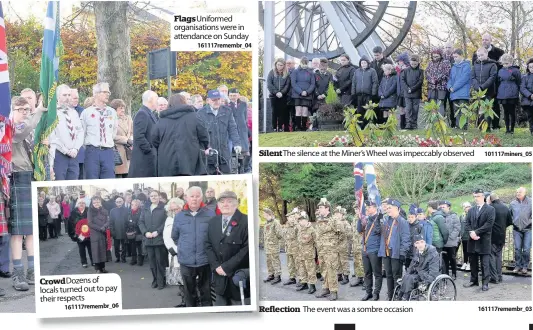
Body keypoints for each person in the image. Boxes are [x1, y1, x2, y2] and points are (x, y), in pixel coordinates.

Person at [9, 96, 46, 290]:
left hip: (30, 175)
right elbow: (20, 134)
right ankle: (18, 272)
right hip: (16, 176)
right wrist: (38, 111)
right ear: (12, 110)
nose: (24, 112)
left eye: (26, 109)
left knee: (30, 230)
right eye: (20, 109)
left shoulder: (25, 126)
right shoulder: (9, 128)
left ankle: (32, 270)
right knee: (17, 231)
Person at [171, 186, 215, 306]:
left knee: (206, 290)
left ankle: (208, 314)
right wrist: (184, 247)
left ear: (202, 197)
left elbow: (214, 236)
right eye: (192, 196)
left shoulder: (210, 215)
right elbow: (175, 236)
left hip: (205, 260)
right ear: (186, 198)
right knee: (189, 291)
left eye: (197, 196)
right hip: (186, 261)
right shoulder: (179, 216)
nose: (194, 199)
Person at [205, 191, 249, 306]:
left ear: (236, 204)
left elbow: (246, 249)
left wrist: (226, 267)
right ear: (218, 205)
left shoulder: (246, 222)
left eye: (230, 202)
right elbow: (208, 245)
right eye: (222, 202)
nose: (225, 204)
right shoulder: (212, 222)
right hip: (219, 278)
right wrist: (216, 267)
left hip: (237, 277)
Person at [152, 93, 209, 177]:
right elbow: (204, 135)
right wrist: (205, 146)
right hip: (190, 161)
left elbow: (154, 140)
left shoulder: (161, 121)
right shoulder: (194, 117)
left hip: (167, 163)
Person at [196, 90, 241, 175]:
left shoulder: (227, 111)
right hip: (209, 155)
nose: (217, 102)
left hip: (224, 154)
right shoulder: (200, 114)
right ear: (208, 100)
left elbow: (233, 129)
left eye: (218, 99)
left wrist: (237, 144)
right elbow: (199, 135)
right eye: (214, 100)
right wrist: (204, 149)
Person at [80, 83, 118, 179]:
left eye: (108, 92)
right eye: (105, 92)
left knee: (109, 179)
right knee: (91, 179)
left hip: (108, 151)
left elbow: (114, 132)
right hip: (92, 152)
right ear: (96, 94)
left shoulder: (112, 112)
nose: (108, 94)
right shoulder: (86, 113)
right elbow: (82, 133)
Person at [48, 84, 84, 180]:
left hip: (74, 156)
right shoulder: (52, 113)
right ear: (57, 96)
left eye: (69, 95)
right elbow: (52, 136)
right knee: (59, 183)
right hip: (59, 155)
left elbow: (80, 131)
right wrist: (65, 150)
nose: (67, 98)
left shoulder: (73, 112)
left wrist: (76, 149)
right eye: (64, 95)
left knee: (73, 183)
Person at [464, 189, 495, 291]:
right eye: (474, 196)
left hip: (483, 240)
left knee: (484, 263)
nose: (476, 198)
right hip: (472, 240)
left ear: (483, 197)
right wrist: (471, 233)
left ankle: (485, 283)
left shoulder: (490, 209)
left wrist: (476, 232)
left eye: (477, 196)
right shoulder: (471, 210)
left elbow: (489, 224)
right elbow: (467, 223)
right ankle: (474, 280)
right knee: (473, 261)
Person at [378, 199, 410, 301]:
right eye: (387, 208)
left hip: (396, 253)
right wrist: (377, 220)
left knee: (397, 275)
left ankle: (397, 295)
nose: (388, 210)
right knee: (388, 274)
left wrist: (402, 253)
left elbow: (406, 239)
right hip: (386, 252)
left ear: (398, 209)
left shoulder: (403, 222)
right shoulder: (386, 220)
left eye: (390, 208)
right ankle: (390, 294)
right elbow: (378, 232)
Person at [473, 34, 505, 130]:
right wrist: (477, 85)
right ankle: (481, 125)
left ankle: (495, 125)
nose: (484, 41)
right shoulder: (476, 53)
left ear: (490, 40)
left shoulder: (499, 52)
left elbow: (501, 67)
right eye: (482, 40)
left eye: (486, 40)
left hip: (494, 83)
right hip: (479, 85)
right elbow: (474, 70)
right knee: (480, 106)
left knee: (493, 105)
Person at [138, 190, 167, 289]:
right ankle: (155, 280)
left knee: (160, 262)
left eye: (155, 195)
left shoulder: (164, 208)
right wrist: (145, 232)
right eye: (151, 196)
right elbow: (140, 222)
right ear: (149, 198)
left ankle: (161, 281)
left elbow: (166, 222)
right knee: (152, 263)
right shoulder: (145, 208)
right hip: (148, 239)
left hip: (159, 239)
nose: (153, 197)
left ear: (159, 197)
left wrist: (158, 231)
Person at [399, 235, 440, 301]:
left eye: (422, 242)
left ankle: (406, 296)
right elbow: (411, 266)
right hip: (420, 273)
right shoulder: (418, 252)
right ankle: (401, 295)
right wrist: (406, 276)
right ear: (415, 245)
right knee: (406, 276)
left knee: (410, 278)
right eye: (417, 243)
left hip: (427, 275)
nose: (420, 245)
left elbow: (433, 272)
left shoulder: (432, 253)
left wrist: (426, 283)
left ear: (425, 242)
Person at [314, 198, 341, 301]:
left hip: (330, 250)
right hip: (321, 250)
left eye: (321, 207)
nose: (319, 209)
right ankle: (326, 288)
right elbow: (318, 234)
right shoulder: (319, 220)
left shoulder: (334, 219)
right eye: (319, 207)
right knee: (324, 270)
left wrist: (334, 246)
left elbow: (341, 233)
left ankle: (334, 291)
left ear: (327, 208)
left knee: (331, 270)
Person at [129, 90, 158, 178]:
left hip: (148, 157)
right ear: (150, 99)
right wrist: (149, 150)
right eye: (156, 99)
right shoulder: (142, 114)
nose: (157, 102)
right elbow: (139, 136)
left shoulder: (148, 113)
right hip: (143, 158)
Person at [358, 200, 383, 301]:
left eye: (370, 207)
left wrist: (376, 219)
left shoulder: (379, 218)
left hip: (374, 249)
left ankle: (376, 293)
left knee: (377, 273)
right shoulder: (366, 219)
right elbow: (359, 230)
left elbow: (379, 231)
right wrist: (360, 219)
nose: (367, 208)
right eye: (367, 207)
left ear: (375, 208)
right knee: (367, 273)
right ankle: (368, 292)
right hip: (365, 249)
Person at [471, 48, 498, 131]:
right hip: (478, 92)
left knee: (487, 109)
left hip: (488, 92)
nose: (480, 57)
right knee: (479, 109)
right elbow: (472, 77)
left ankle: (487, 128)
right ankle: (480, 127)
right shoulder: (475, 65)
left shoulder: (493, 65)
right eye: (478, 55)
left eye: (482, 55)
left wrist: (482, 87)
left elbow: (492, 77)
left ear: (487, 54)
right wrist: (477, 87)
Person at [489, 193, 512, 283]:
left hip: (492, 236)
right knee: (499, 256)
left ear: (491, 200)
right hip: (502, 235)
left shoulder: (490, 207)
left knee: (491, 256)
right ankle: (499, 276)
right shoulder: (505, 207)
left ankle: (494, 278)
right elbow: (510, 221)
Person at [351, 55, 378, 129]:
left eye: (365, 63)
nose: (363, 64)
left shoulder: (372, 71)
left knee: (368, 111)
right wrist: (353, 93)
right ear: (360, 64)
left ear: (368, 63)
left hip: (368, 94)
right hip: (359, 94)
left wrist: (373, 93)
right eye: (362, 63)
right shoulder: (357, 71)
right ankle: (360, 125)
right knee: (359, 111)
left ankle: (368, 125)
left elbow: (375, 82)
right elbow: (354, 82)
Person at [496, 54, 521, 134]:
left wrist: (517, 91)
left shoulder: (515, 71)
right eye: (504, 63)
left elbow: (519, 82)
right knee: (505, 112)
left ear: (511, 62)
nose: (505, 65)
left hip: (512, 94)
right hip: (502, 94)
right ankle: (507, 129)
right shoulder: (500, 71)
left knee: (512, 112)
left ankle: (512, 129)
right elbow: (498, 81)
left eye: (507, 63)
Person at [509, 187, 532, 275]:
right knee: (518, 248)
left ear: (525, 193)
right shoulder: (512, 203)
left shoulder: (531, 202)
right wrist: (513, 221)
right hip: (516, 229)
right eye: (517, 192)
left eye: (520, 192)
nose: (518, 193)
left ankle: (525, 266)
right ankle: (517, 265)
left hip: (528, 229)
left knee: (526, 249)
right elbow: (509, 215)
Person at [447, 49, 471, 129]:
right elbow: (450, 78)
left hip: (463, 93)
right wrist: (449, 87)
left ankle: (464, 127)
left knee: (463, 111)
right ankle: (458, 126)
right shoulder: (453, 66)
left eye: (456, 56)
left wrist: (454, 88)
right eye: (454, 57)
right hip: (454, 93)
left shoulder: (466, 65)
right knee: (456, 111)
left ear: (461, 55)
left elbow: (464, 79)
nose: (455, 58)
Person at [290, 57, 316, 131]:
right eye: (303, 63)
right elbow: (293, 83)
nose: (304, 65)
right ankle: (298, 127)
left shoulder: (311, 72)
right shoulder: (295, 72)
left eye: (306, 63)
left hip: (307, 95)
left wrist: (307, 92)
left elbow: (312, 84)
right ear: (300, 63)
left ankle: (304, 127)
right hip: (297, 94)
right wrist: (300, 92)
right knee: (298, 111)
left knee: (305, 111)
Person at [294, 211, 316, 294]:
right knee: (302, 269)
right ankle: (304, 284)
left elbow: (316, 241)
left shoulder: (311, 229)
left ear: (306, 220)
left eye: (301, 220)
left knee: (310, 270)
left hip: (309, 254)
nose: (300, 222)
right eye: (299, 220)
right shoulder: (300, 229)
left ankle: (312, 286)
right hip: (300, 253)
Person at [110, 99, 133, 178]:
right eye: (120, 108)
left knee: (128, 175)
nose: (123, 110)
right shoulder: (111, 119)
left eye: (123, 108)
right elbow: (111, 135)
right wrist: (125, 140)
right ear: (114, 109)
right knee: (119, 176)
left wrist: (131, 139)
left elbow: (132, 131)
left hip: (128, 152)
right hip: (118, 151)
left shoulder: (128, 119)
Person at [426, 48, 451, 117]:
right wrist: (431, 80)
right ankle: (433, 121)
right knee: (433, 103)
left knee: (440, 104)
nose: (435, 58)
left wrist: (437, 78)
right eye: (434, 56)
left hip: (441, 86)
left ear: (440, 55)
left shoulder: (445, 62)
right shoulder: (430, 63)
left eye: (437, 56)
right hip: (431, 86)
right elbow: (427, 72)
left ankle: (440, 121)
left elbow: (446, 73)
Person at [267, 59, 291, 132]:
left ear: (284, 66)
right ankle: (274, 127)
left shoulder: (287, 73)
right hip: (273, 95)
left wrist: (282, 92)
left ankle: (280, 127)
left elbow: (287, 85)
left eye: (281, 65)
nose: (279, 67)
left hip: (283, 96)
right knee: (274, 111)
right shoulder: (271, 72)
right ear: (276, 65)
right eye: (278, 65)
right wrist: (276, 92)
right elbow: (269, 84)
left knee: (281, 112)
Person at [401, 54, 424, 130]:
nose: (413, 65)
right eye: (412, 64)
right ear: (410, 63)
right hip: (407, 94)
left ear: (418, 63)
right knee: (408, 109)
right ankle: (408, 123)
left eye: (415, 64)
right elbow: (402, 80)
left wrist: (412, 89)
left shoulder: (420, 71)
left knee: (415, 109)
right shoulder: (405, 70)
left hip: (416, 93)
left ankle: (414, 124)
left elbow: (420, 82)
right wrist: (408, 89)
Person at [68, 198, 93, 268]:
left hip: (89, 234)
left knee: (90, 248)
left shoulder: (89, 212)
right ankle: (84, 262)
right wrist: (73, 234)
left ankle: (93, 261)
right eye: (80, 203)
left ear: (85, 204)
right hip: (79, 234)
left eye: (83, 203)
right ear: (77, 204)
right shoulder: (73, 213)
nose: (81, 204)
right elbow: (70, 224)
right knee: (81, 249)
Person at [87, 196, 110, 273]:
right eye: (94, 202)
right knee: (96, 250)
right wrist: (100, 228)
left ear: (100, 202)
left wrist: (104, 227)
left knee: (103, 250)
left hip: (103, 233)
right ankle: (97, 268)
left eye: (98, 202)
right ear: (92, 203)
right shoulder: (90, 211)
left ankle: (103, 267)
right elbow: (90, 223)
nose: (96, 204)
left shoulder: (105, 210)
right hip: (95, 233)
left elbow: (108, 220)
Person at [439, 201, 461, 280]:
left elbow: (457, 228)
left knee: (452, 258)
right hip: (443, 242)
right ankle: (446, 274)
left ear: (448, 207)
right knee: (444, 259)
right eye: (441, 207)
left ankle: (454, 273)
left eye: (443, 207)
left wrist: (451, 237)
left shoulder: (454, 216)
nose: (442, 208)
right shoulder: (440, 216)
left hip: (451, 241)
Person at [262, 208, 282, 285]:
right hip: (267, 246)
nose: (263, 214)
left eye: (264, 213)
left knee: (275, 261)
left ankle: (278, 276)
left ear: (268, 214)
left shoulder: (275, 223)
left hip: (273, 246)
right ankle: (271, 275)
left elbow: (279, 234)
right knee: (269, 261)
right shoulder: (266, 223)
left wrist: (273, 240)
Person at [69, 88, 86, 179]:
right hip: (66, 150)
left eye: (77, 98)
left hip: (80, 151)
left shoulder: (82, 111)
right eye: (74, 98)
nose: (77, 100)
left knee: (80, 176)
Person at [283, 208, 300, 286]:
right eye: (289, 217)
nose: (291, 219)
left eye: (292, 217)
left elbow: (300, 237)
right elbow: (284, 237)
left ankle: (301, 279)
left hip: (296, 249)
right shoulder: (286, 226)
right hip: (289, 248)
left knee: (298, 264)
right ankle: (292, 278)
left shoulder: (297, 226)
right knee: (290, 264)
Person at [110, 197, 129, 263]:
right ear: (115, 203)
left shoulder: (126, 210)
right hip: (116, 231)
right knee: (116, 246)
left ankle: (123, 257)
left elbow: (128, 221)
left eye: (120, 201)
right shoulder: (112, 211)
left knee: (124, 246)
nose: (119, 203)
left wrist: (127, 230)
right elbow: (111, 222)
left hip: (124, 230)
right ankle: (117, 257)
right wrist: (112, 231)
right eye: (117, 202)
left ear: (123, 202)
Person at [126, 199, 143, 266]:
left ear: (138, 205)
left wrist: (133, 223)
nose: (133, 206)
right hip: (131, 232)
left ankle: (140, 259)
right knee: (132, 246)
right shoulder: (129, 212)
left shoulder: (141, 212)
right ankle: (133, 259)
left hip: (138, 231)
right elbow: (127, 221)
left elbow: (141, 221)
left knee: (139, 247)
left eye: (135, 204)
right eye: (132, 204)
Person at [406, 205, 423, 270]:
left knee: (415, 267)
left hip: (415, 251)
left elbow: (422, 239)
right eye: (409, 217)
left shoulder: (419, 226)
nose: (410, 219)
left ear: (416, 217)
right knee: (407, 267)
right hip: (407, 251)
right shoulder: (406, 225)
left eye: (412, 217)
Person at [395, 52, 410, 129]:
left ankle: (408, 125)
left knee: (407, 109)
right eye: (399, 61)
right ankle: (402, 125)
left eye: (401, 61)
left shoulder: (408, 69)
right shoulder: (397, 70)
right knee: (401, 109)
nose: (399, 62)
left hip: (406, 92)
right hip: (399, 92)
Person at [520, 58, 533, 135]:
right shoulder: (524, 77)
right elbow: (522, 88)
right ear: (528, 68)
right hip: (527, 101)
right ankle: (532, 131)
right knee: (530, 116)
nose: (532, 69)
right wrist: (530, 95)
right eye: (530, 67)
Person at [459, 202, 471, 270]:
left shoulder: (472, 215)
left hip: (469, 236)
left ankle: (469, 263)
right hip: (463, 236)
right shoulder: (462, 216)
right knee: (465, 250)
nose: (466, 208)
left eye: (467, 207)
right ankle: (465, 262)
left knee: (469, 250)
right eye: (464, 207)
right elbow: (460, 225)